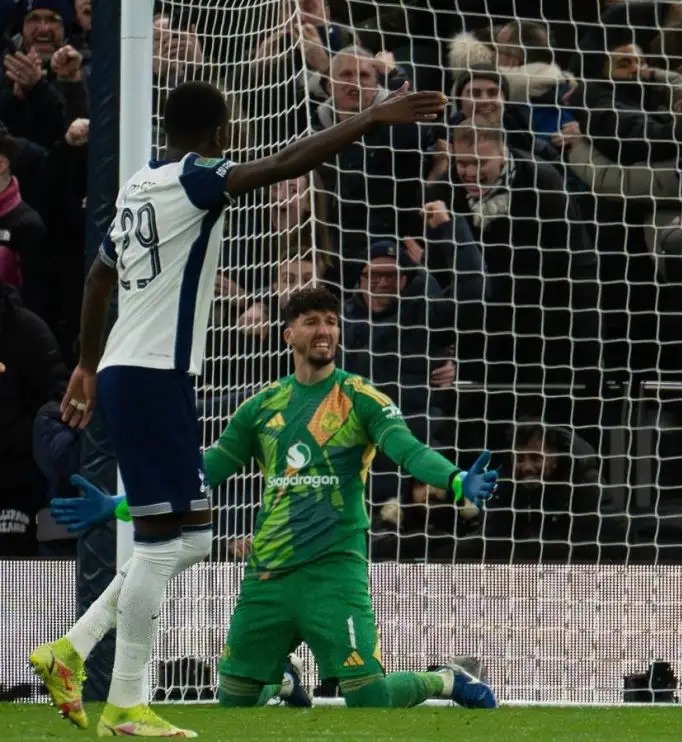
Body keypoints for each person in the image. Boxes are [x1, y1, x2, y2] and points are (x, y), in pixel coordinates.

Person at [35, 79, 445, 737]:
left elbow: (97, 278)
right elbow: (286, 164)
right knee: (172, 540)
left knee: (183, 536)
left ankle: (72, 651)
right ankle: (124, 704)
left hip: (124, 369)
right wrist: (371, 117)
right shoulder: (197, 178)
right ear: (220, 133)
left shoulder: (141, 182)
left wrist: (85, 362)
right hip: (152, 376)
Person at [38, 287, 500, 721]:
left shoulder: (360, 399)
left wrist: (456, 479)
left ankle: (447, 678)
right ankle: (280, 682)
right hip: (267, 575)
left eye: (332, 322)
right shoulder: (261, 407)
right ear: (289, 335)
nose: (324, 331)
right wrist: (122, 505)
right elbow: (204, 474)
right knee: (234, 704)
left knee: (368, 698)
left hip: (334, 571)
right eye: (312, 322)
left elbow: (408, 450)